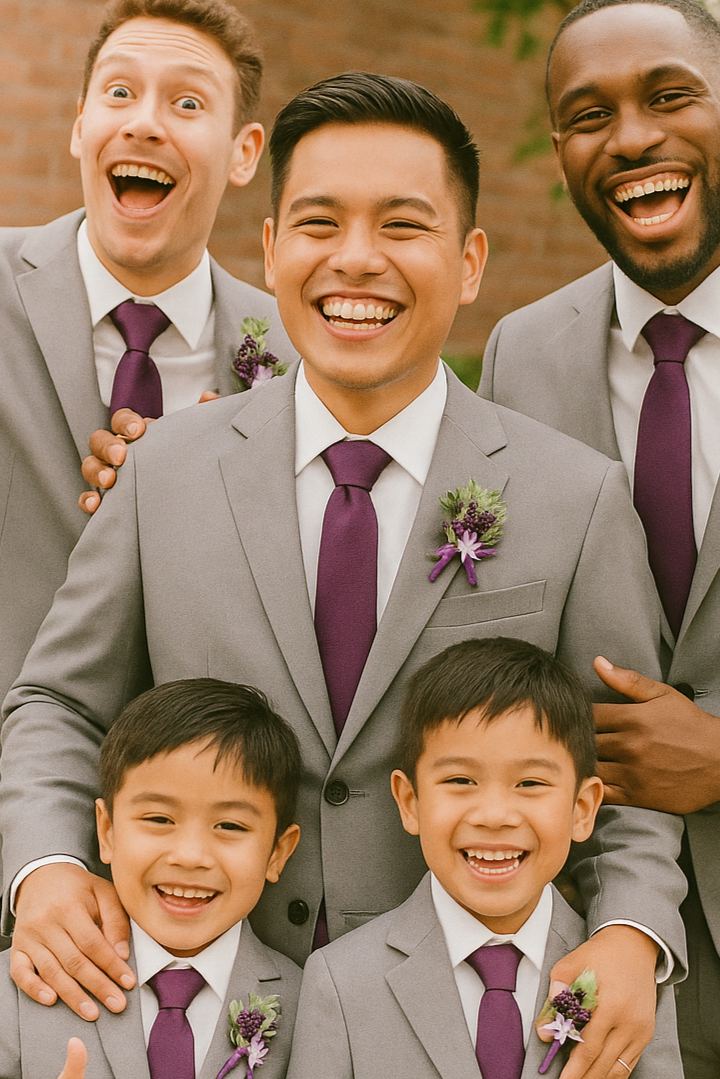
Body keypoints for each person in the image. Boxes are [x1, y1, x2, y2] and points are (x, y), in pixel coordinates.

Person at [1, 73, 686, 1078]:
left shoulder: (572, 496)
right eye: (320, 222)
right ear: (271, 246)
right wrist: (49, 868)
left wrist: (632, 928)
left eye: (403, 226)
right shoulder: (163, 473)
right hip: (188, 1008)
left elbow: (625, 769)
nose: (356, 259)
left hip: (455, 1028)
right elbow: (58, 697)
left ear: (469, 262)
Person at [478, 0, 720, 1071]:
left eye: (671, 95)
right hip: (599, 955)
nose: (629, 138)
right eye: (587, 114)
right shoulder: (520, 355)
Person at [0, 0, 296, 710]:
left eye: (187, 102)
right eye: (119, 92)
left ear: (243, 151)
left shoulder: (294, 352)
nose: (143, 122)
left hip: (201, 791)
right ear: (80, 126)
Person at [287, 637, 683, 1079]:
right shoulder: (341, 979)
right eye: (460, 780)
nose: (494, 816)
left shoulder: (629, 976)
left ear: (583, 808)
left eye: (530, 783)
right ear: (409, 800)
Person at [0, 677, 302, 1079]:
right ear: (105, 831)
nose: (190, 856)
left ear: (277, 852)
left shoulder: (312, 1005)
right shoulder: (16, 988)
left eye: (229, 825)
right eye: (159, 819)